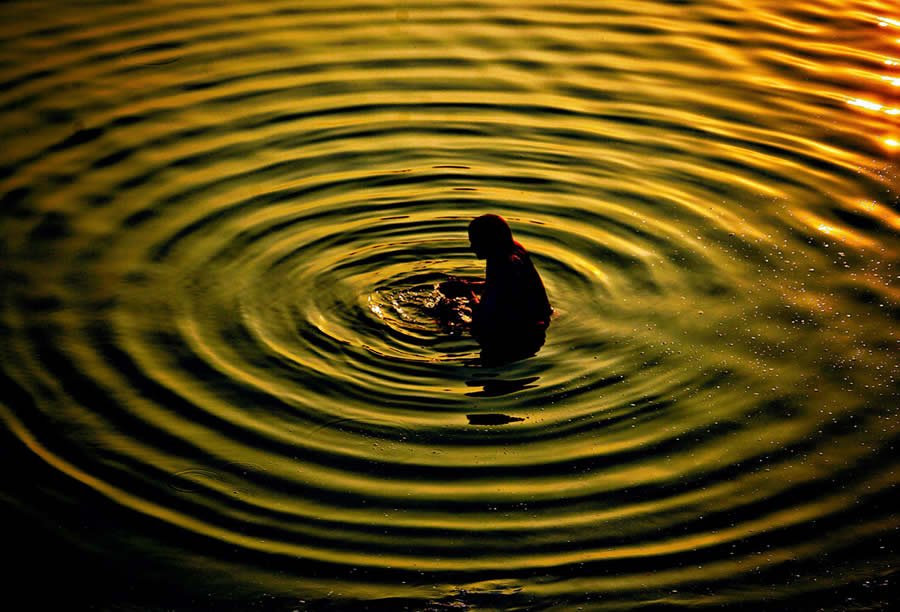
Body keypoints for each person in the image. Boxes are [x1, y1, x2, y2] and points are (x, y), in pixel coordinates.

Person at [438, 214, 551, 361]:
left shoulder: (503, 264)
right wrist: (467, 286)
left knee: (448, 320)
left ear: (488, 241)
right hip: (538, 321)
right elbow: (498, 288)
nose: (471, 247)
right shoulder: (511, 250)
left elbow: (483, 317)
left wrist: (467, 293)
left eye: (475, 242)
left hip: (521, 334)